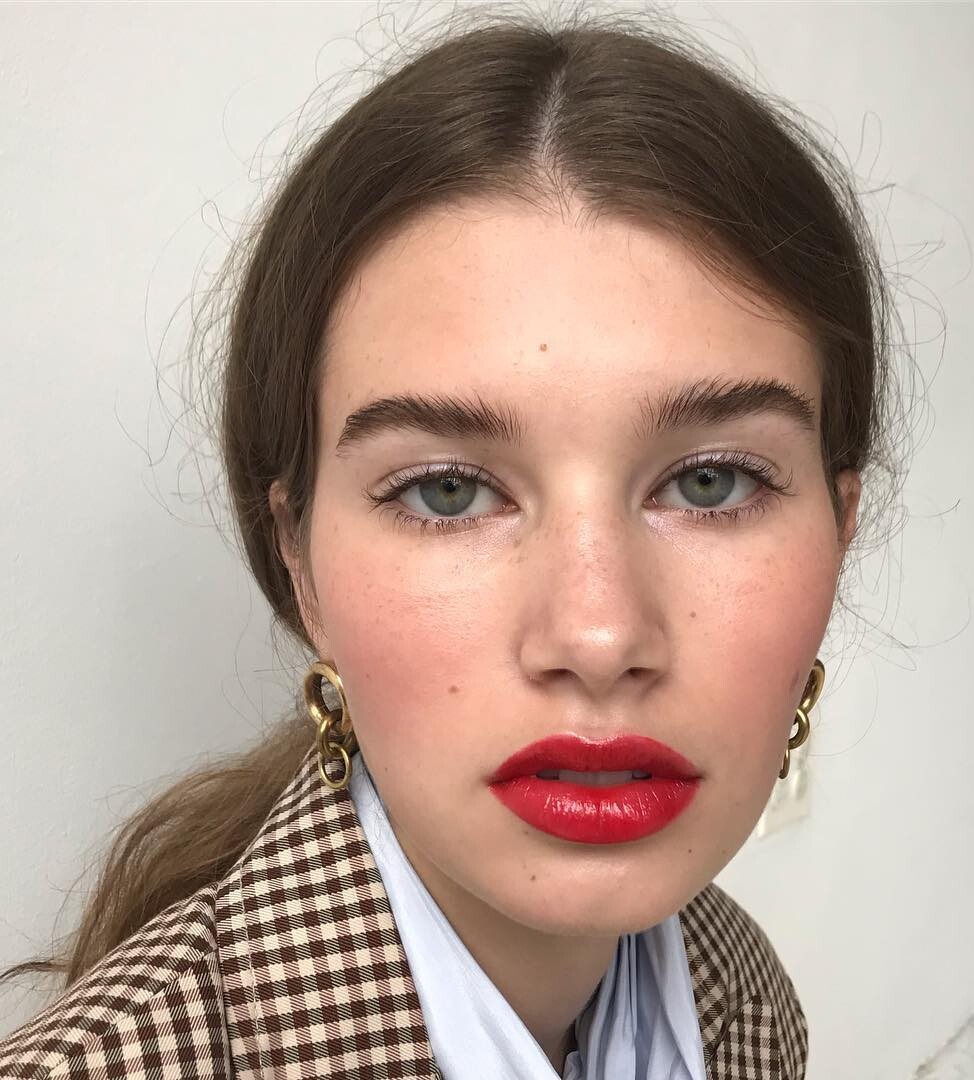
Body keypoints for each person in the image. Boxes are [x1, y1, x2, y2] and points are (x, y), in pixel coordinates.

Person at [0, 6, 906, 1078]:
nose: (599, 634)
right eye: (447, 491)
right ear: (298, 561)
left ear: (841, 527)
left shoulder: (743, 1001)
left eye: (712, 481)